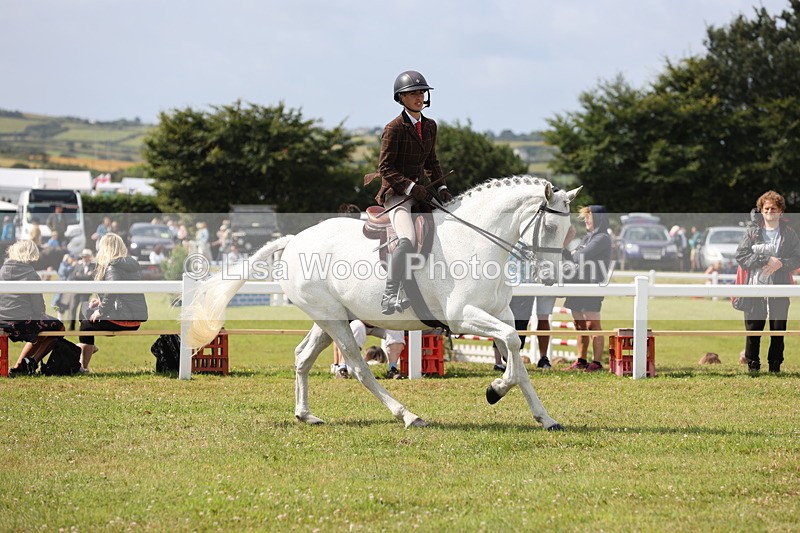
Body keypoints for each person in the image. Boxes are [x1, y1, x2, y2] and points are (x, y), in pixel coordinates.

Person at [367, 70, 452, 315]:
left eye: (421, 92)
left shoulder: (430, 125)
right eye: (412, 93)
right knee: (408, 239)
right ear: (401, 98)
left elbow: (432, 162)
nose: (419, 97)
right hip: (397, 194)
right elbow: (385, 167)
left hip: (422, 193)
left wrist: (442, 187)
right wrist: (412, 187)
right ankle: (390, 294)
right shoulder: (394, 128)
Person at [735, 190, 800, 374]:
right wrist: (765, 259)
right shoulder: (752, 233)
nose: (770, 211)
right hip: (754, 287)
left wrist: (781, 263)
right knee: (753, 330)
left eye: (774, 208)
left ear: (781, 211)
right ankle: (753, 366)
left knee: (778, 330)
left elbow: (797, 258)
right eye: (766, 208)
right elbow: (741, 255)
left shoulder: (789, 234)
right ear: (761, 210)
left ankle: (775, 366)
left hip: (779, 287)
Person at [77, 233, 149, 372]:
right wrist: (100, 301)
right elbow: (123, 294)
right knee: (86, 309)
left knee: (86, 323)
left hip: (122, 319)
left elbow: (113, 290)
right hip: (135, 320)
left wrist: (101, 310)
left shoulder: (112, 266)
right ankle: (89, 348)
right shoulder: (131, 265)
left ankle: (83, 365)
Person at [0, 240, 65, 375]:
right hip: (23, 321)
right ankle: (30, 363)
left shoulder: (2, 271)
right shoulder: (31, 274)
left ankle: (21, 365)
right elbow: (38, 308)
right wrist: (43, 313)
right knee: (58, 327)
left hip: (2, 320)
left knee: (41, 329)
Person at [563, 206, 613, 372]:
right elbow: (572, 257)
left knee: (593, 324)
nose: (585, 220)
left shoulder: (602, 238)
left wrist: (571, 254)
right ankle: (581, 360)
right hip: (577, 284)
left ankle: (597, 362)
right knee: (579, 324)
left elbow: (578, 257)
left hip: (591, 285)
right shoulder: (587, 238)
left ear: (598, 219)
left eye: (588, 217)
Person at [331, 320, 407, 379]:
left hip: (380, 323)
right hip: (358, 322)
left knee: (396, 329)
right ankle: (342, 368)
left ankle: (392, 369)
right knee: (357, 327)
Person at [66, 249, 96, 331]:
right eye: (83, 257)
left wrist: (79, 276)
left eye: (86, 257)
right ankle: (71, 326)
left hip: (86, 292)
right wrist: (84, 276)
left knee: (83, 309)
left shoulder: (93, 266)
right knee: (73, 308)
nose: (84, 258)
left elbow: (91, 277)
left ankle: (83, 326)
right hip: (76, 290)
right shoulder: (78, 265)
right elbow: (72, 276)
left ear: (89, 257)